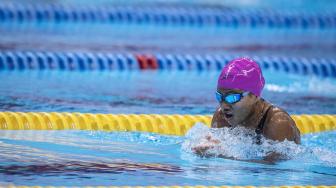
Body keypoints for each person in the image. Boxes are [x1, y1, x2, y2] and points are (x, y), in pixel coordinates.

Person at [192, 57, 301, 163]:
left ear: (255, 96)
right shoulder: (222, 117)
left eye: (232, 98)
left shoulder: (277, 123)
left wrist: (223, 155)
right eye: (220, 97)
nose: (224, 106)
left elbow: (273, 170)